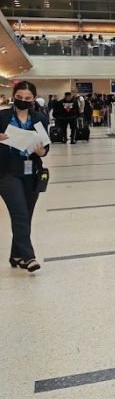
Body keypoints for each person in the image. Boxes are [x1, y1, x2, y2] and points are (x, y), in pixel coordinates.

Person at [0, 80, 50, 273]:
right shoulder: (3, 116)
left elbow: (46, 146)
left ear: (33, 99)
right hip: (6, 171)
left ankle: (16, 255)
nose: (23, 101)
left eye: (27, 98)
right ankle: (29, 257)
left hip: (31, 171)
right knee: (19, 212)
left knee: (26, 215)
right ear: (14, 96)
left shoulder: (40, 119)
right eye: (19, 97)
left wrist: (41, 152)